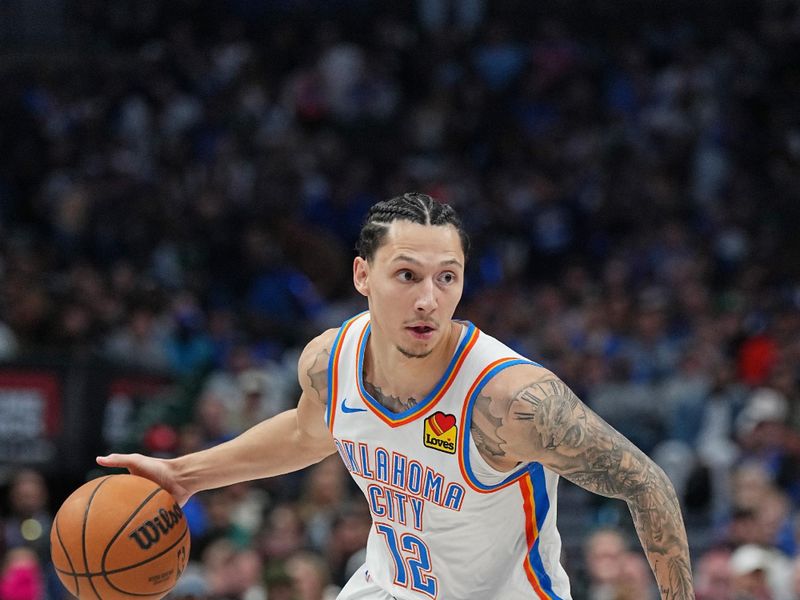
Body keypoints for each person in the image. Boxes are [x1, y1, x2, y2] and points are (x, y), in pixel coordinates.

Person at [98, 193, 694, 599]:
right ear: (363, 276)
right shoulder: (331, 361)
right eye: (407, 275)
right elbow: (309, 433)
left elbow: (646, 483)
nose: (428, 300)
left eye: (447, 277)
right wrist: (185, 474)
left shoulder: (511, 400)